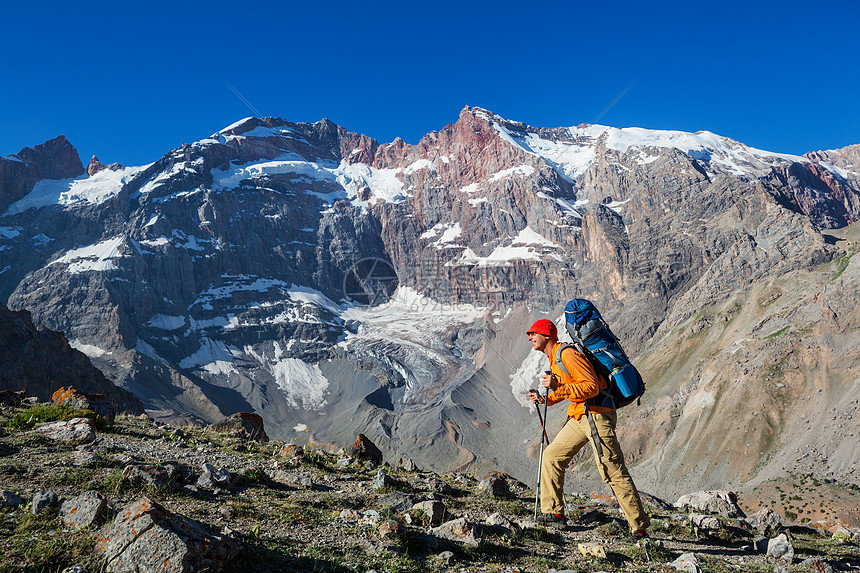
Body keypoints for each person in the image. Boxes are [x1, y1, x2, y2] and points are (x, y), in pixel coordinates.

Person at [526, 318, 650, 537]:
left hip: (596, 414)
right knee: (552, 456)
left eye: (533, 333)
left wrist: (558, 387)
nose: (529, 337)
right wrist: (545, 398)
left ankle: (639, 528)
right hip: (580, 414)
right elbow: (570, 389)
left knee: (612, 469)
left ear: (547, 335)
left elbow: (591, 387)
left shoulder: (567, 354)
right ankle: (554, 514)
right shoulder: (554, 358)